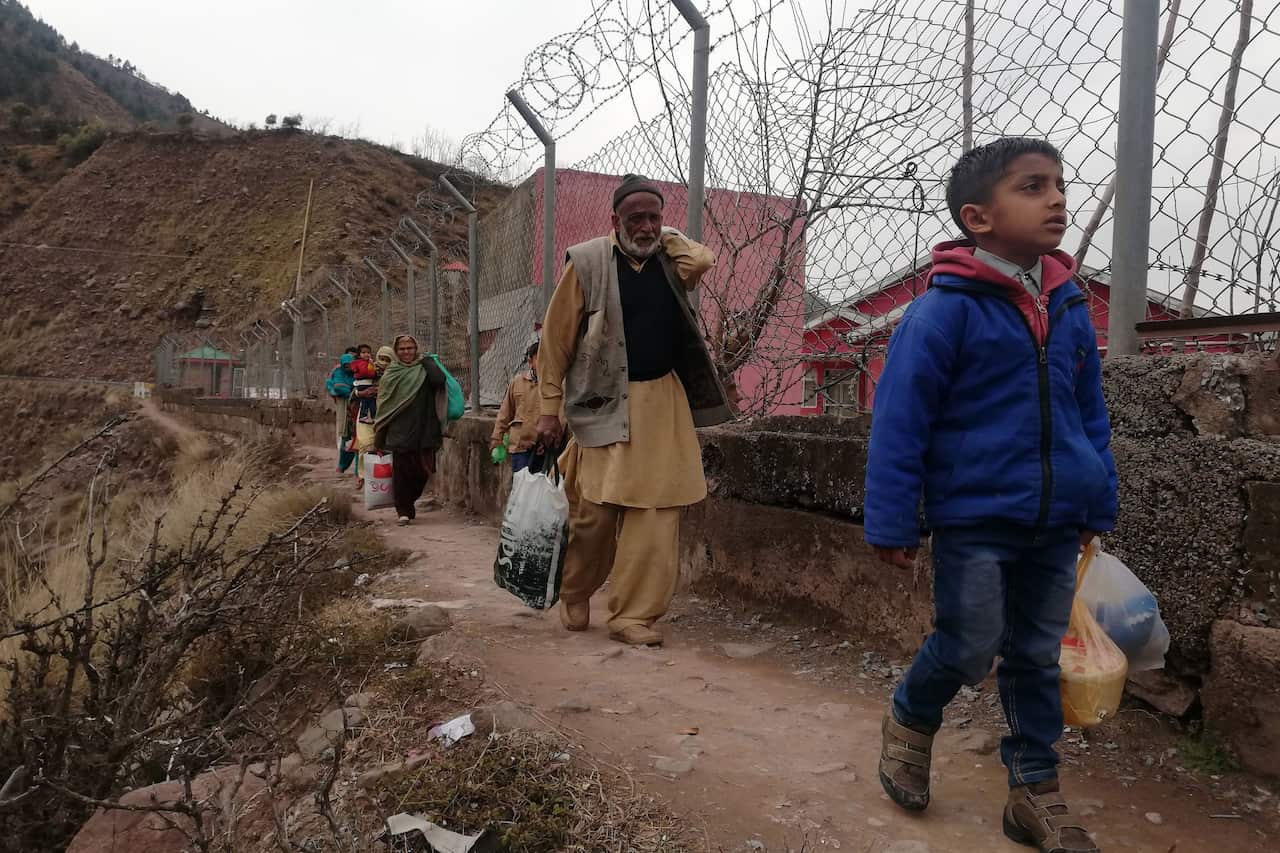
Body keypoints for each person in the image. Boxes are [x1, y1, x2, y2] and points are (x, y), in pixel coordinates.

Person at [864, 138, 1116, 853]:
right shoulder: (942, 313)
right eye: (1033, 186)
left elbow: (1088, 412)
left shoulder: (1068, 306)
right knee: (970, 643)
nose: (1058, 198)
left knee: (1037, 654)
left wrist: (1097, 494)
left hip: (1057, 517)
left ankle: (1034, 789)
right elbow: (900, 421)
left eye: (1059, 184)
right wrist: (891, 517)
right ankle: (912, 715)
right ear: (978, 217)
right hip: (973, 516)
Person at [536, 173, 732, 647]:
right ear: (614, 221)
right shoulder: (586, 262)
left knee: (656, 517)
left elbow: (702, 257)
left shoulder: (669, 259)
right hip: (603, 403)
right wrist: (547, 408)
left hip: (662, 404)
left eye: (654, 217)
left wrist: (664, 235)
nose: (645, 226)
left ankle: (632, 616)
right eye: (635, 218)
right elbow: (555, 341)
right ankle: (576, 590)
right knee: (595, 516)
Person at [373, 334, 449, 526]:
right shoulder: (392, 373)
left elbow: (439, 381)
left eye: (410, 348)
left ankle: (410, 502)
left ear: (416, 349)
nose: (406, 352)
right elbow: (384, 407)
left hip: (425, 430)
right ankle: (403, 510)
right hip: (398, 433)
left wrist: (428, 361)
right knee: (401, 473)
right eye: (402, 349)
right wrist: (379, 440)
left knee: (421, 473)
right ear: (396, 352)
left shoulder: (424, 368)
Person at [489, 340, 542, 473]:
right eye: (539, 358)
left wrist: (553, 441)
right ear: (530, 362)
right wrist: (497, 439)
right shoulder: (517, 382)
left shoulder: (554, 385)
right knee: (521, 487)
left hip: (544, 447)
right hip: (520, 446)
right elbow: (505, 413)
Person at [326, 347, 358, 474]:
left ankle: (358, 471)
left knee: (360, 439)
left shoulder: (362, 369)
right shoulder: (338, 371)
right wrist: (353, 392)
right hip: (346, 411)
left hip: (360, 410)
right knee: (347, 437)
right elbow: (336, 387)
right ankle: (342, 466)